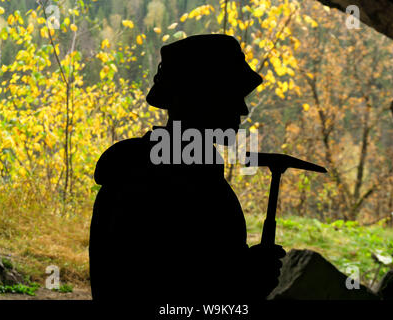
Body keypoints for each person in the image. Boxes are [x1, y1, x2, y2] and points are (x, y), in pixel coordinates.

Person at [89, 34, 286, 305]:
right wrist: (246, 284)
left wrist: (242, 270)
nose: (242, 109)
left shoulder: (178, 172)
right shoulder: (159, 183)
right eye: (231, 95)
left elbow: (192, 272)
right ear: (201, 98)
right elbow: (167, 293)